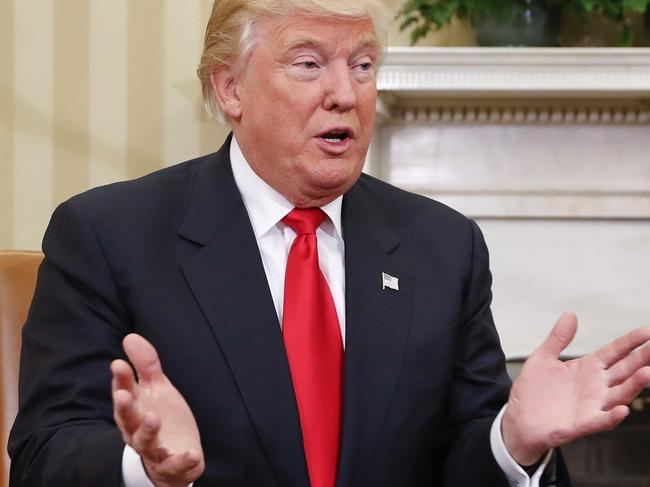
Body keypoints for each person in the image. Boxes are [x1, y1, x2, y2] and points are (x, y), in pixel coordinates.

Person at [8, 1, 650, 486]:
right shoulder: (109, 235)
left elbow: (458, 454)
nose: (345, 93)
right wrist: (142, 467)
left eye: (362, 65)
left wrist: (513, 443)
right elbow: (42, 450)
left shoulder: (443, 247)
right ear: (231, 88)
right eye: (309, 64)